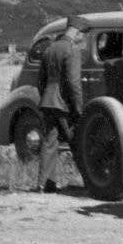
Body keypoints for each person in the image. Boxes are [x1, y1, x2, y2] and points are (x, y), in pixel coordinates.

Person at [37, 15, 90, 193]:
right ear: (78, 32)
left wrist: (45, 97)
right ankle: (92, 181)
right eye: (84, 35)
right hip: (62, 104)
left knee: (49, 142)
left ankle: (43, 183)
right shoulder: (72, 50)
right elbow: (74, 83)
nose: (84, 39)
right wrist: (78, 109)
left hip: (47, 101)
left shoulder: (49, 49)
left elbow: (41, 81)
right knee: (76, 141)